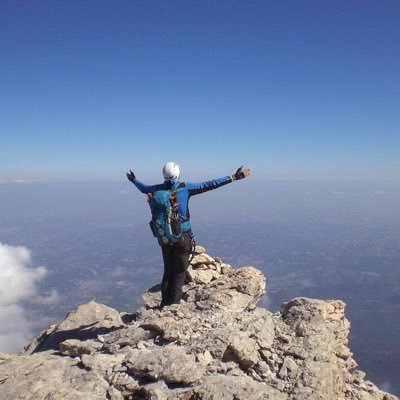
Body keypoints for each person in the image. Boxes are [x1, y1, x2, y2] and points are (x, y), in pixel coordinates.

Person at [127, 162, 250, 308]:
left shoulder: (157, 189)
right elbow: (209, 184)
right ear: (178, 173)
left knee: (168, 271)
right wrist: (234, 177)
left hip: (165, 237)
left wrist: (133, 179)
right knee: (179, 272)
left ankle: (164, 305)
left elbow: (143, 188)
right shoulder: (185, 187)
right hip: (183, 236)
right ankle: (173, 307)